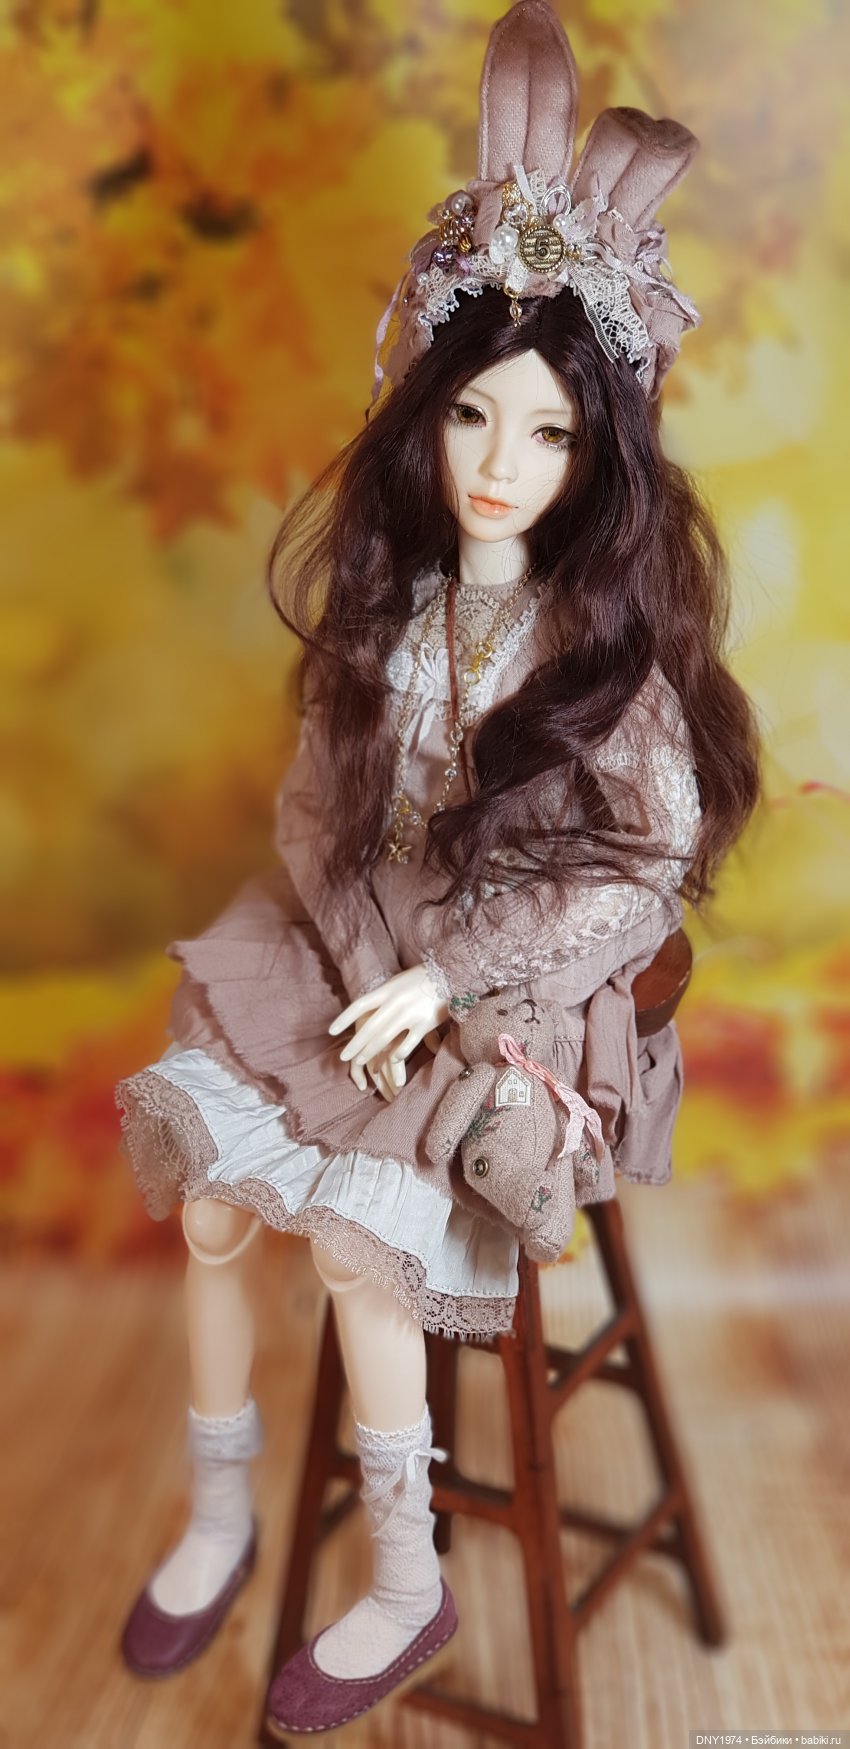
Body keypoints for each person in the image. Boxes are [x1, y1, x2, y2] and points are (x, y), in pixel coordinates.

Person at [114, 2, 760, 1734]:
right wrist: (360, 939)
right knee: (210, 1202)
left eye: (546, 437)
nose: (499, 468)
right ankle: (225, 1509)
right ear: (425, 413)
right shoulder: (392, 608)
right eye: (475, 418)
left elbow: (643, 868)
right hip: (362, 934)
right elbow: (314, 804)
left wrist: (450, 972)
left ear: (597, 457)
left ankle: (407, 1579)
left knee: (351, 1248)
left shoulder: (595, 648)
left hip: (526, 978)